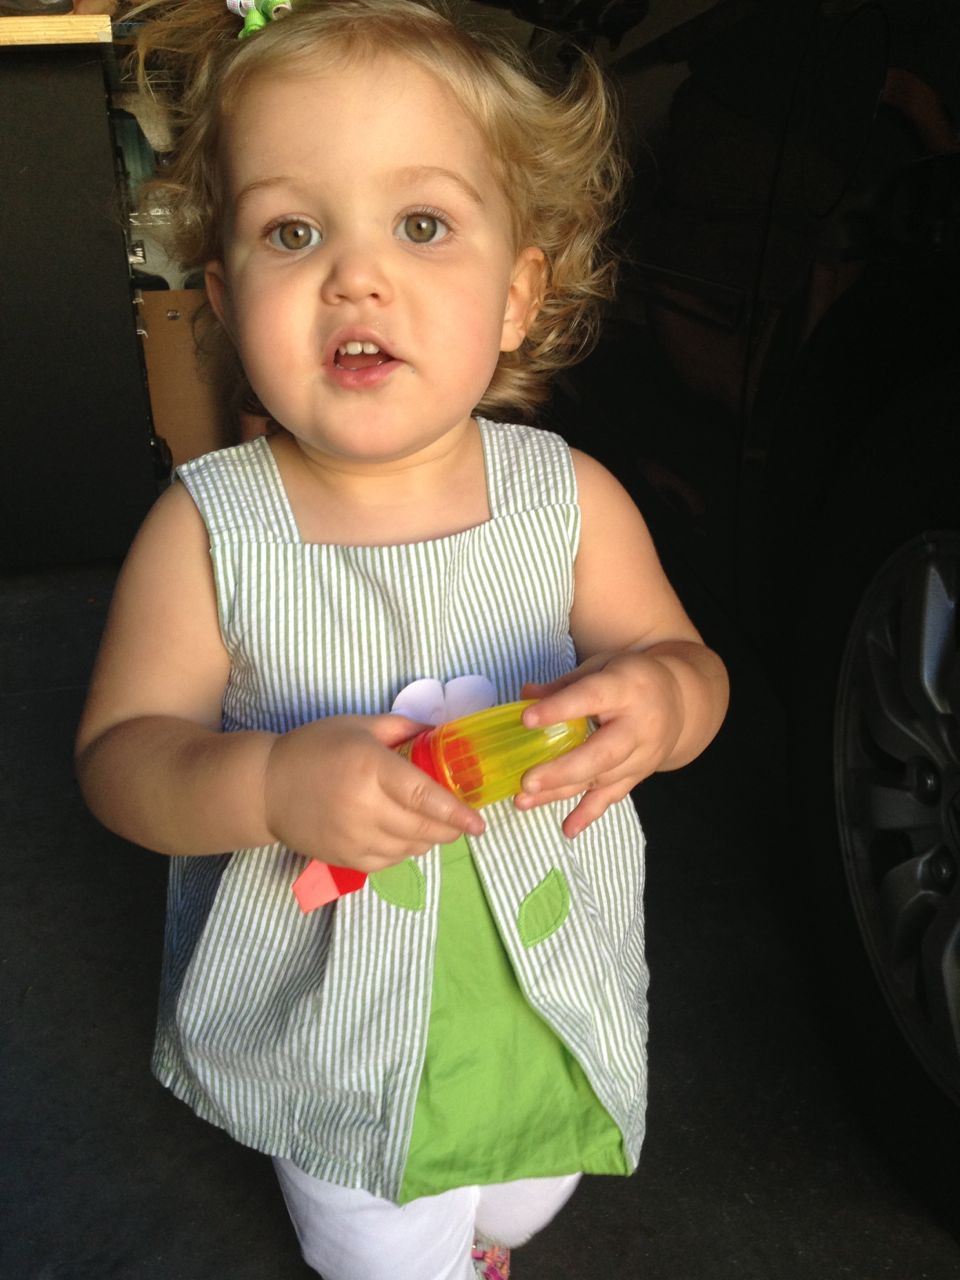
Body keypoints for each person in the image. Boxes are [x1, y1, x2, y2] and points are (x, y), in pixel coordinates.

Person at [75, 2, 729, 1276]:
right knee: (379, 1239)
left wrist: (662, 698)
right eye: (293, 230)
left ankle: (486, 1231)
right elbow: (120, 759)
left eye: (421, 225)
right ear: (225, 298)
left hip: (545, 977)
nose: (356, 276)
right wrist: (268, 783)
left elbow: (690, 666)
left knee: (528, 1183)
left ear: (516, 295)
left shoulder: (569, 500)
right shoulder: (209, 529)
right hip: (335, 1019)